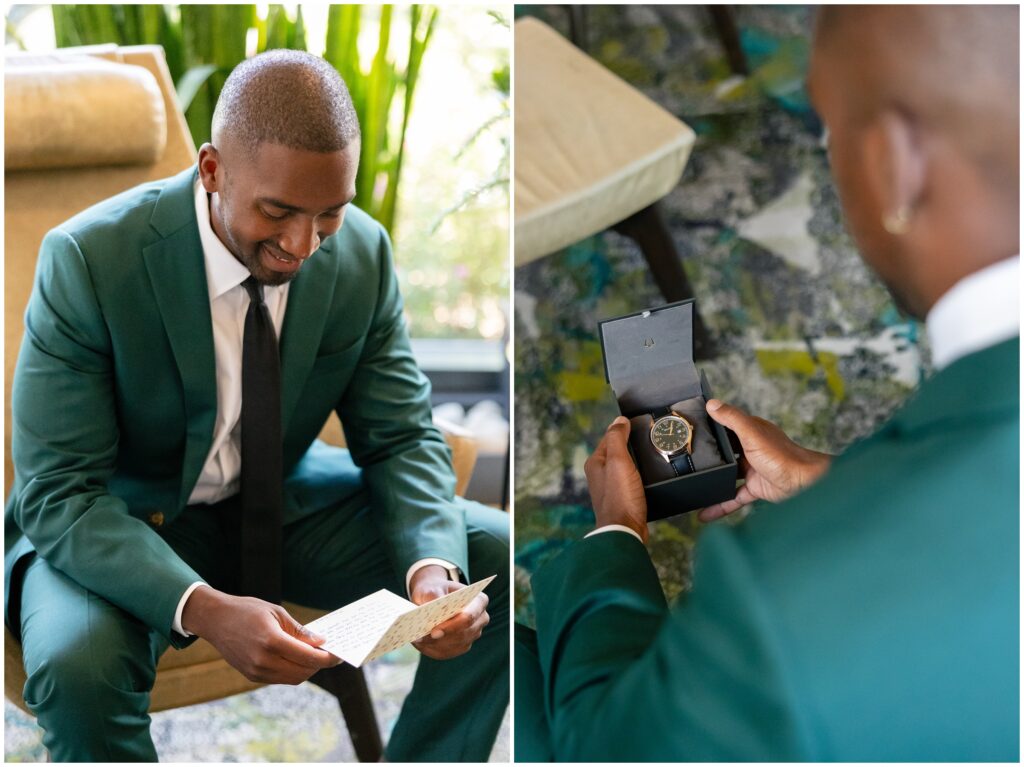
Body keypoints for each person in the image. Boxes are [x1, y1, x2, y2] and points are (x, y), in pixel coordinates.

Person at [516, 5, 1018, 761]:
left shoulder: (772, 603)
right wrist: (829, 484)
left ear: (891, 163)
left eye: (828, 130)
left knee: (514, 658)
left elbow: (607, 743)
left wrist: (615, 535)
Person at [4, 50, 508, 762]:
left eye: (329, 212)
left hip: (284, 504)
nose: (304, 245)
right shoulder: (88, 261)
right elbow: (58, 492)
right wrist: (205, 607)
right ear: (212, 170)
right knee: (79, 666)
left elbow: (399, 437)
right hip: (119, 521)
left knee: (494, 552)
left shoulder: (361, 255)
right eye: (278, 211)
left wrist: (434, 573)